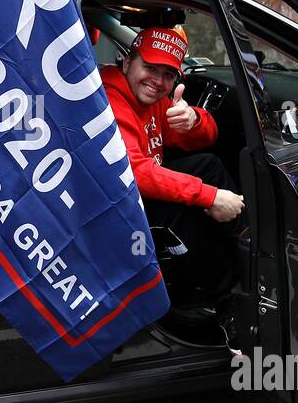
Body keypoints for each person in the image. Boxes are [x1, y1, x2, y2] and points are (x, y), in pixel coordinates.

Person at [100, 27, 246, 309]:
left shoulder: (155, 100)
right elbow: (134, 172)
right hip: (114, 206)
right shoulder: (110, 100)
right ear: (127, 63)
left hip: (138, 193)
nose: (157, 81)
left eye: (168, 74)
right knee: (179, 214)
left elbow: (208, 138)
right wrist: (209, 196)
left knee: (208, 164)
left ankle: (248, 243)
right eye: (150, 67)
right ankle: (227, 303)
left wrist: (194, 120)